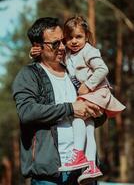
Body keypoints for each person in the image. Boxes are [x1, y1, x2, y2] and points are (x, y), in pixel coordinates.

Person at [30, 16, 125, 184]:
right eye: (69, 37)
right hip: (90, 94)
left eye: (78, 37)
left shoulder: (89, 50)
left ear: (86, 36)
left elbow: (103, 69)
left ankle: (79, 154)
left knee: (77, 115)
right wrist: (33, 54)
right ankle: (91, 165)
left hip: (96, 91)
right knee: (88, 128)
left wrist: (88, 85)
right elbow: (50, 55)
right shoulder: (68, 53)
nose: (74, 41)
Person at [12, 17, 106, 185]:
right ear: (37, 46)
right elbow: (27, 112)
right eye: (55, 44)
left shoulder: (74, 73)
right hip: (50, 175)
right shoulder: (29, 75)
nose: (63, 47)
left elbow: (94, 114)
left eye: (63, 41)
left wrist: (98, 111)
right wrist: (70, 109)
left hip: (84, 174)